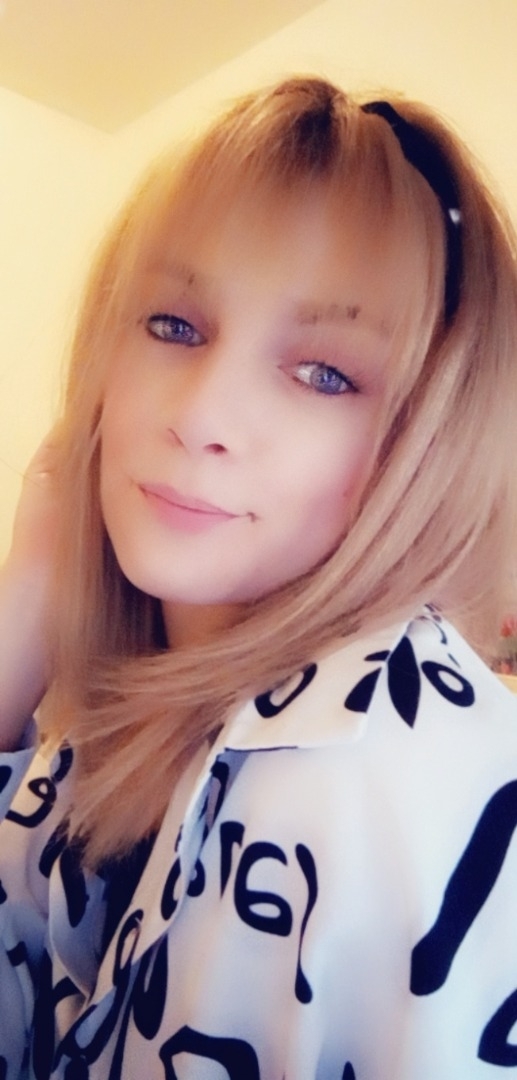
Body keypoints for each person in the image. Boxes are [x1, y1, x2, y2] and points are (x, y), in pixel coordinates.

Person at [0, 75, 517, 1080]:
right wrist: (31, 591)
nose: (201, 416)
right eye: (172, 325)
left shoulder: (394, 769)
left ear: (427, 445)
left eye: (324, 374)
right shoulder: (108, 741)